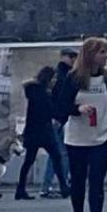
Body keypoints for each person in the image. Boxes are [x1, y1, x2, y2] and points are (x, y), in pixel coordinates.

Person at [55, 36, 107, 212]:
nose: (105, 57)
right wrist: (77, 109)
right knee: (78, 180)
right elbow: (60, 107)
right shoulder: (73, 78)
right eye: (101, 52)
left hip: (101, 136)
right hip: (77, 137)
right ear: (90, 55)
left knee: (97, 179)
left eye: (106, 52)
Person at [16, 65, 69, 200]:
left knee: (29, 160)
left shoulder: (34, 90)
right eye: (54, 78)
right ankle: (63, 187)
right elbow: (49, 109)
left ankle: (20, 189)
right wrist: (61, 115)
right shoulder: (43, 92)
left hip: (33, 130)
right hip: (44, 131)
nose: (54, 80)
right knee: (56, 157)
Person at [42, 47, 78, 198]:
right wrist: (56, 117)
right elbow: (54, 98)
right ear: (63, 57)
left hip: (57, 119)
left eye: (75, 57)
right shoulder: (61, 76)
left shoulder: (60, 74)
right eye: (71, 56)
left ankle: (51, 185)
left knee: (57, 154)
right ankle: (56, 185)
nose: (73, 59)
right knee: (60, 154)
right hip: (57, 120)